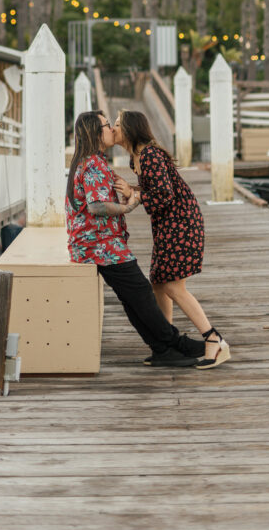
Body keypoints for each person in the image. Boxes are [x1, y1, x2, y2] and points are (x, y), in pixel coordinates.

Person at [66, 110, 204, 367]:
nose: (112, 129)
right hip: (100, 245)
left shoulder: (90, 161)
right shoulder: (93, 163)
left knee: (132, 298)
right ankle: (173, 343)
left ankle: (162, 348)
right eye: (107, 125)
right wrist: (128, 207)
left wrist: (132, 191)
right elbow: (97, 206)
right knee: (141, 293)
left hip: (97, 243)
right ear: (95, 132)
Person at [112, 109, 230, 370]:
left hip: (181, 223)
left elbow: (164, 195)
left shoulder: (150, 155)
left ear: (130, 129)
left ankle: (214, 339)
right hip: (169, 225)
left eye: (118, 124)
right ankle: (166, 345)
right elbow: (156, 188)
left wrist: (134, 194)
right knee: (158, 283)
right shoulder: (137, 158)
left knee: (174, 287)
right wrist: (134, 190)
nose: (113, 128)